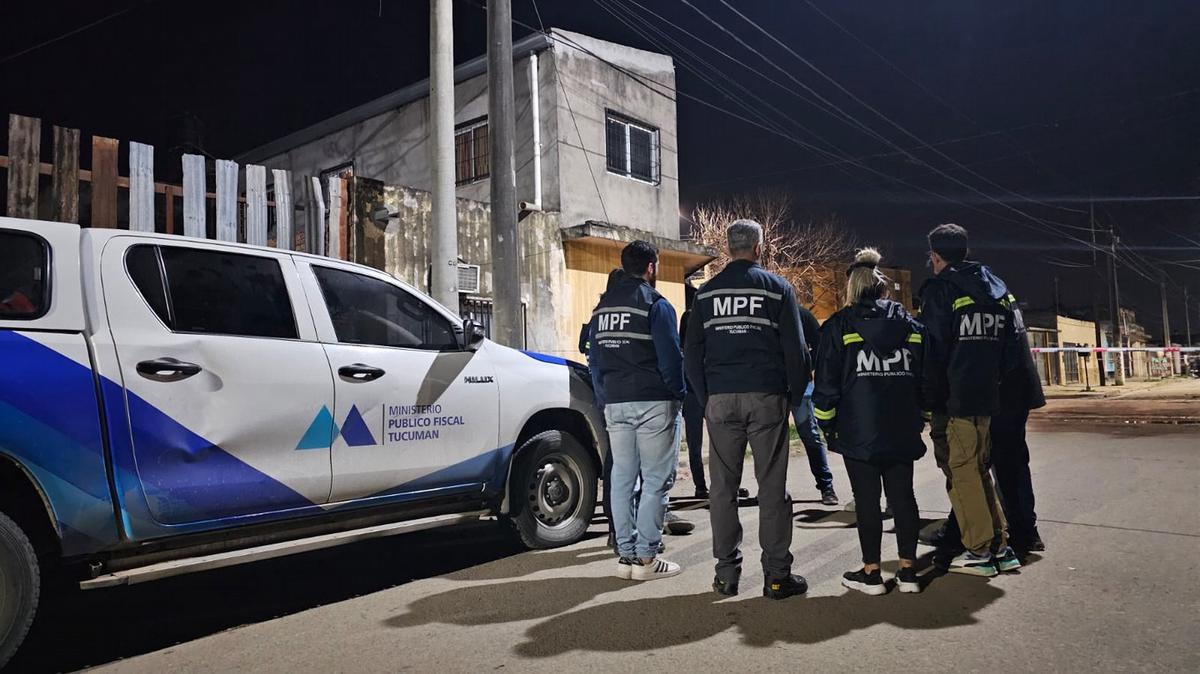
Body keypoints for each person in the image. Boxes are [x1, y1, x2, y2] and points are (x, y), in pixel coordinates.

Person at [685, 219, 812, 600]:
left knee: (722, 490)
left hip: (720, 399)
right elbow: (797, 351)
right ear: (759, 247)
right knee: (772, 488)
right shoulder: (777, 289)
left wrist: (705, 397)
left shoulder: (706, 294)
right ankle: (776, 577)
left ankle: (726, 576)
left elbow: (691, 352)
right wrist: (793, 395)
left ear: (728, 248)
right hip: (766, 396)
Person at [813, 248, 925, 595]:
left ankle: (872, 573)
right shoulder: (912, 327)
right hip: (903, 425)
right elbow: (927, 377)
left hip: (858, 428)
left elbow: (827, 383)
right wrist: (923, 416)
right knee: (903, 496)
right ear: (883, 289)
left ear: (852, 289)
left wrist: (826, 425)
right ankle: (908, 572)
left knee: (867, 500)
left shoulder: (838, 327)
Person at [919, 223, 1023, 577]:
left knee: (962, 472)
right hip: (987, 397)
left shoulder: (941, 290)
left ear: (936, 256)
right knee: (979, 470)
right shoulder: (996, 288)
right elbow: (1012, 347)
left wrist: (929, 399)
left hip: (955, 399)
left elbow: (933, 352)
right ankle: (1000, 546)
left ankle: (979, 550)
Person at [589, 242, 686, 581]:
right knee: (657, 481)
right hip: (652, 402)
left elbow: (595, 360)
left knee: (622, 480)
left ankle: (626, 556)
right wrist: (679, 394)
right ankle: (646, 558)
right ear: (651, 267)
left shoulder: (601, 309)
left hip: (615, 402)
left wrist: (605, 399)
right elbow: (671, 359)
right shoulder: (656, 305)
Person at [926, 294, 1047, 555]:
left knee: (972, 466)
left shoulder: (961, 297)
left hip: (994, 390)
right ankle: (1025, 531)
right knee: (1007, 462)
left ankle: (980, 534)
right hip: (1016, 387)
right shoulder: (1000, 294)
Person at [792, 303, 839, 506]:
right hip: (774, 386)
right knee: (772, 442)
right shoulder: (768, 312)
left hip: (801, 386)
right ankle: (773, 491)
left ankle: (826, 486)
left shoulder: (802, 315)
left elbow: (819, 344)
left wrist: (808, 367)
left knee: (810, 435)